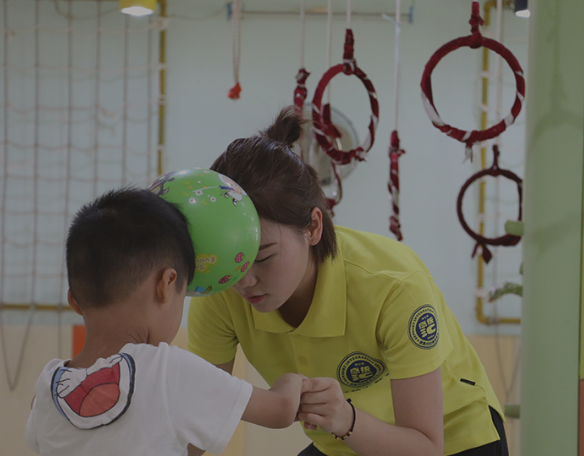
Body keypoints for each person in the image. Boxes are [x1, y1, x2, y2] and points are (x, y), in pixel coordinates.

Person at [187, 107, 509, 456]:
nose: (244, 281)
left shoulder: (394, 285)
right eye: (234, 262)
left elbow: (425, 447)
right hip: (344, 440)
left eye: (263, 257)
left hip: (452, 439)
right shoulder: (220, 286)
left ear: (312, 228)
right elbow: (200, 420)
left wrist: (344, 418)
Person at [25, 188, 305, 456]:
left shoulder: (47, 386)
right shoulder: (167, 368)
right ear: (166, 284)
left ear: (74, 301)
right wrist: (294, 381)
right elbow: (280, 410)